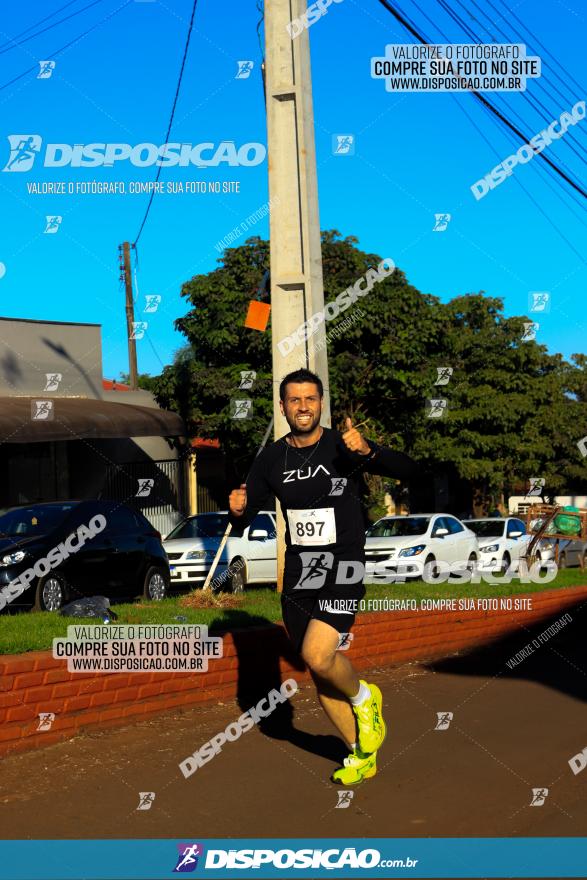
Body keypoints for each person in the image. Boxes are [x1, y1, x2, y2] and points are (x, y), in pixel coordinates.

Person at [228, 368, 418, 785]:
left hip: (344, 565)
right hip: (300, 572)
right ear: (282, 406)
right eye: (294, 400)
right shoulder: (271, 459)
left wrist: (368, 451)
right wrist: (238, 508)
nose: (302, 407)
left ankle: (366, 698)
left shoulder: (341, 445)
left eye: (310, 399)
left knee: (316, 654)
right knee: (321, 669)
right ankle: (361, 753)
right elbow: (243, 520)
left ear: (321, 404)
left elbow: (409, 469)